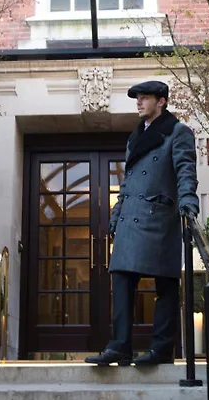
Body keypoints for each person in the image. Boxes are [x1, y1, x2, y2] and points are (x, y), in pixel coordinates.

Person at [85, 80, 199, 367]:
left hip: (159, 216)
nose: (138, 102)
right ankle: (120, 347)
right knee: (121, 278)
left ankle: (161, 349)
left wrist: (188, 200)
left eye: (145, 97)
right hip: (130, 217)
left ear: (161, 101)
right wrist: (116, 214)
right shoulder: (135, 137)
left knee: (166, 284)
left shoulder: (178, 132)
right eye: (137, 98)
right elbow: (128, 182)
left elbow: (185, 169)